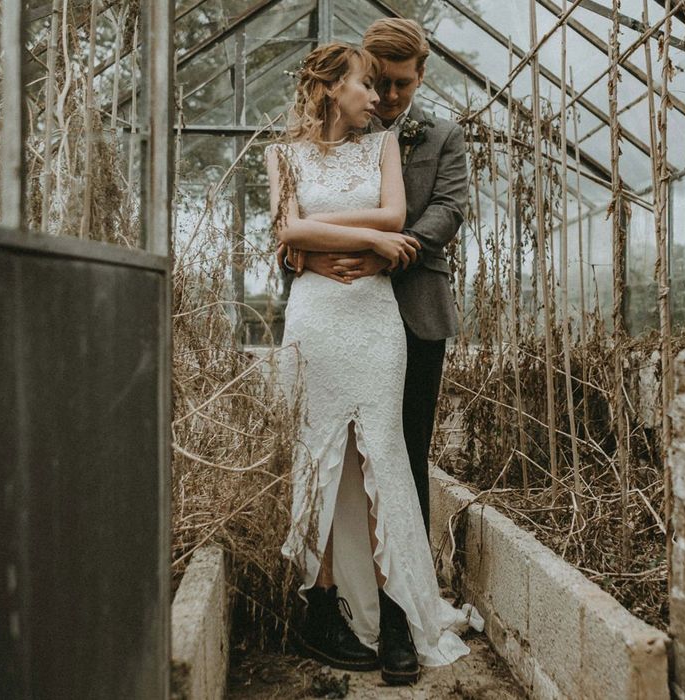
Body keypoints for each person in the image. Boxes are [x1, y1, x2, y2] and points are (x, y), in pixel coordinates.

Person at [266, 42, 471, 686]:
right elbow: (286, 233)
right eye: (366, 83)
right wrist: (364, 237)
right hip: (316, 316)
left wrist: (330, 228)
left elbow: (397, 215)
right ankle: (321, 605)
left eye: (391, 85)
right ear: (333, 89)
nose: (379, 96)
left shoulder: (385, 144)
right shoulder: (279, 154)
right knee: (317, 454)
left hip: (377, 318)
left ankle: (398, 614)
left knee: (385, 455)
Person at [283, 18, 467, 537]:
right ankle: (338, 585)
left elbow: (449, 210)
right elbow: (293, 217)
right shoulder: (330, 133)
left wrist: (386, 252)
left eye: (400, 84)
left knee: (406, 449)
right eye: (378, 80)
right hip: (334, 309)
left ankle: (405, 596)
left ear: (422, 76)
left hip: (414, 309)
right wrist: (309, 256)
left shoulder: (442, 135)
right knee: (332, 450)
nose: (386, 95)